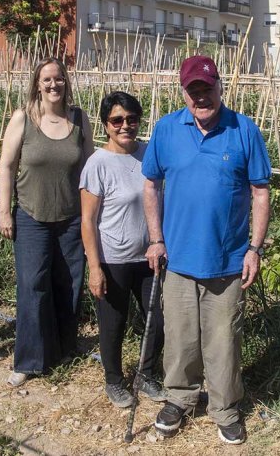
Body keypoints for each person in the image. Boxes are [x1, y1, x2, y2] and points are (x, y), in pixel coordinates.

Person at [142, 55, 271, 444]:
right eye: (193, 91)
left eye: (207, 89)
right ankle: (179, 398)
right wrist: (156, 238)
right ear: (184, 92)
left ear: (220, 88)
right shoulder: (166, 129)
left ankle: (225, 407)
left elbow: (260, 192)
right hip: (178, 258)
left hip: (228, 259)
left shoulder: (243, 130)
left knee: (223, 339)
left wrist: (254, 248)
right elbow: (150, 184)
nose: (201, 97)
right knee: (180, 337)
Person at [0, 57, 94, 387]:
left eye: (59, 79)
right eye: (47, 79)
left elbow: (88, 170)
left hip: (71, 218)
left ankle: (64, 349)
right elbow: (7, 168)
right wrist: (4, 212)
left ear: (66, 82)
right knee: (32, 286)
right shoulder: (23, 119)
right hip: (31, 216)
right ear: (37, 84)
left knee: (69, 284)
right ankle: (28, 359)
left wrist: (93, 214)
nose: (54, 85)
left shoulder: (79, 119)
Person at [79, 91, 167, 407]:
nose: (125, 125)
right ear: (106, 125)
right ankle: (114, 381)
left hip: (149, 257)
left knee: (158, 320)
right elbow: (87, 221)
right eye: (117, 120)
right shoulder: (97, 164)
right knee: (113, 324)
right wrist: (94, 267)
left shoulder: (149, 155)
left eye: (131, 119)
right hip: (113, 258)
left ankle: (145, 375)